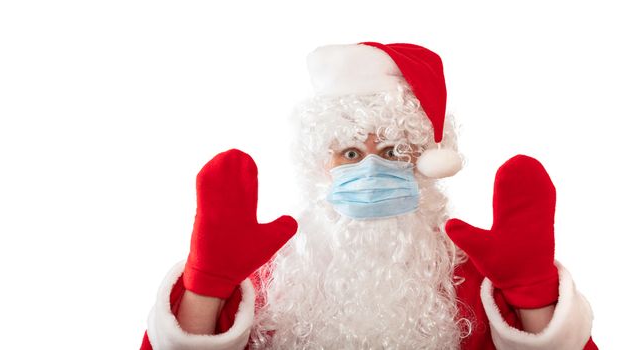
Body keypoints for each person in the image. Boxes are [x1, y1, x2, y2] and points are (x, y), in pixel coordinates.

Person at [139, 42, 597, 349]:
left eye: (397, 151)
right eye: (352, 152)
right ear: (321, 164)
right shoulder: (267, 278)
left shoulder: (480, 278)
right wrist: (206, 287)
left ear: (426, 164)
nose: (372, 170)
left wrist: (533, 296)